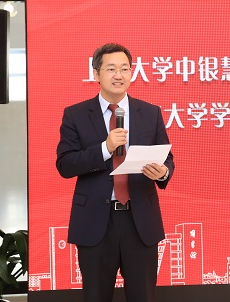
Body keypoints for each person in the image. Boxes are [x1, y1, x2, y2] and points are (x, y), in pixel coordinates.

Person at [56, 43, 174, 302]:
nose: (119, 75)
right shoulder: (75, 114)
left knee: (143, 296)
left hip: (140, 221)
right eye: (111, 69)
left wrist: (163, 172)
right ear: (96, 74)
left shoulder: (150, 113)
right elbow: (65, 164)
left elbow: (167, 158)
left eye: (124, 69)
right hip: (95, 222)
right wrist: (104, 148)